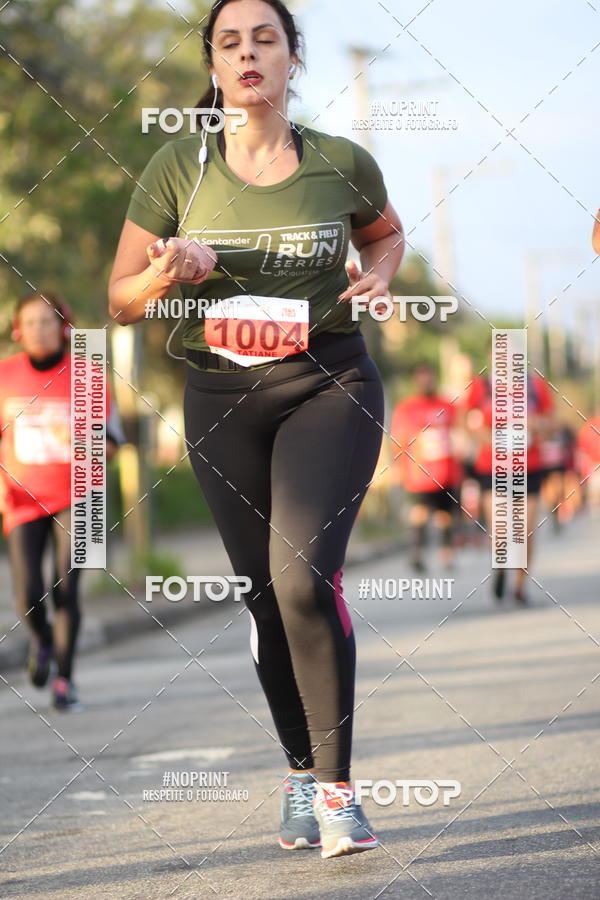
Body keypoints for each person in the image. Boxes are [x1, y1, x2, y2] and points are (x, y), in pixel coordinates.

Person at [108, 0, 404, 859]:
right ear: (212, 64)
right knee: (266, 597)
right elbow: (119, 299)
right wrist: (167, 268)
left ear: (291, 58)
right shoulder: (177, 168)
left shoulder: (341, 162)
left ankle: (341, 793)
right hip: (220, 395)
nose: (247, 54)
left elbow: (384, 238)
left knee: (305, 576)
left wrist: (380, 276)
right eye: (229, 42)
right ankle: (300, 778)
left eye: (264, 40)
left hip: (328, 378)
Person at [0, 292, 120, 710]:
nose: (37, 329)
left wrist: (87, 442)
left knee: (67, 590)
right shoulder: (4, 375)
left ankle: (65, 682)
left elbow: (113, 444)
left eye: (46, 322)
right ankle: (43, 641)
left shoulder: (89, 376)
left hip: (81, 496)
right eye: (29, 322)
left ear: (64, 327)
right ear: (18, 329)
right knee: (28, 596)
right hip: (22, 498)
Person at [464, 371, 554, 605]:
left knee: (525, 531)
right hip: (494, 468)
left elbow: (551, 423)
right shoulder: (482, 386)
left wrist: (537, 425)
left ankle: (520, 587)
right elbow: (467, 423)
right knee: (500, 528)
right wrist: (490, 438)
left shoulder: (535, 386)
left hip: (529, 467)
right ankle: (502, 567)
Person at [390, 364, 461, 571]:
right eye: (422, 378)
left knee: (444, 515)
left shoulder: (447, 405)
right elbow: (397, 439)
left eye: (429, 378)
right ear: (415, 381)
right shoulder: (406, 408)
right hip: (419, 472)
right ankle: (417, 552)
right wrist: (398, 467)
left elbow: (460, 432)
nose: (426, 382)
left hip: (446, 470)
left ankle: (447, 554)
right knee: (419, 511)